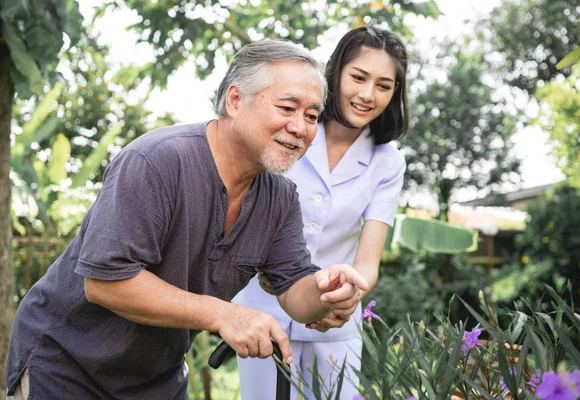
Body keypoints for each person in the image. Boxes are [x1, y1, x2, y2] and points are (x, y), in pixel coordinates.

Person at [5, 39, 370, 400]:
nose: (300, 127)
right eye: (288, 107)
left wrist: (325, 292)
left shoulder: (281, 198)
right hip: (67, 366)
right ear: (235, 100)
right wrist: (224, 314)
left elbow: (295, 291)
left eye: (311, 116)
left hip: (156, 379)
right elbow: (104, 282)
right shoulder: (155, 162)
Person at [234, 26, 409, 399]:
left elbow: (368, 261)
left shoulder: (388, 162)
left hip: (335, 326)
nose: (367, 95)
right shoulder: (290, 131)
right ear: (334, 71)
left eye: (383, 85)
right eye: (358, 78)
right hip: (263, 316)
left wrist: (341, 299)